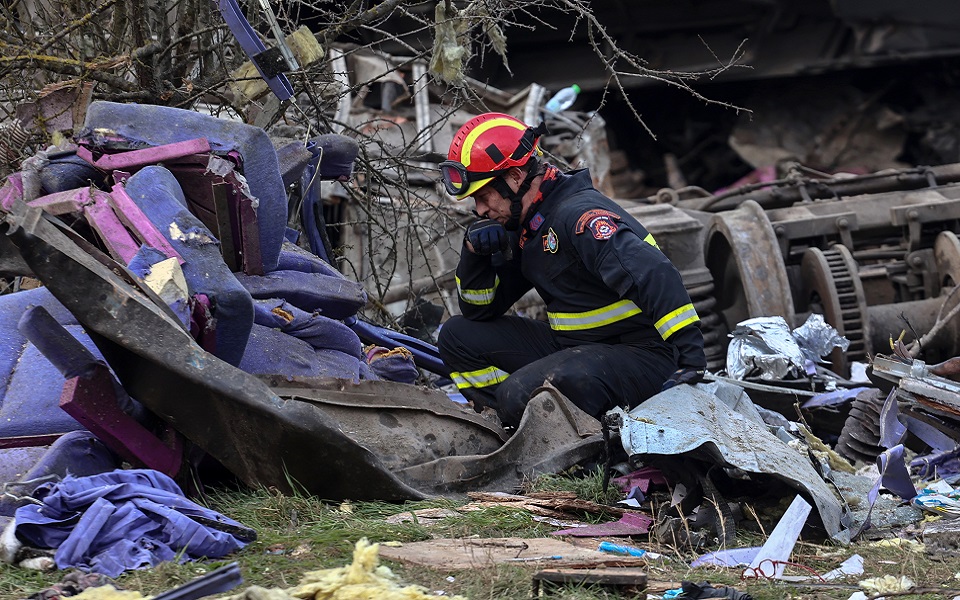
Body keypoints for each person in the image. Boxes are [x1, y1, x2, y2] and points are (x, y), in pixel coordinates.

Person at [438, 112, 706, 428]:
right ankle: (516, 427)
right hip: (579, 348)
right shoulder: (529, 225)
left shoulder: (578, 217)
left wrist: (690, 361)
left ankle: (572, 436)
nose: (480, 209)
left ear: (514, 177)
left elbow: (655, 273)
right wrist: (475, 254)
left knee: (518, 395)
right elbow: (479, 310)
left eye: (484, 196)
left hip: (644, 356)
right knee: (457, 336)